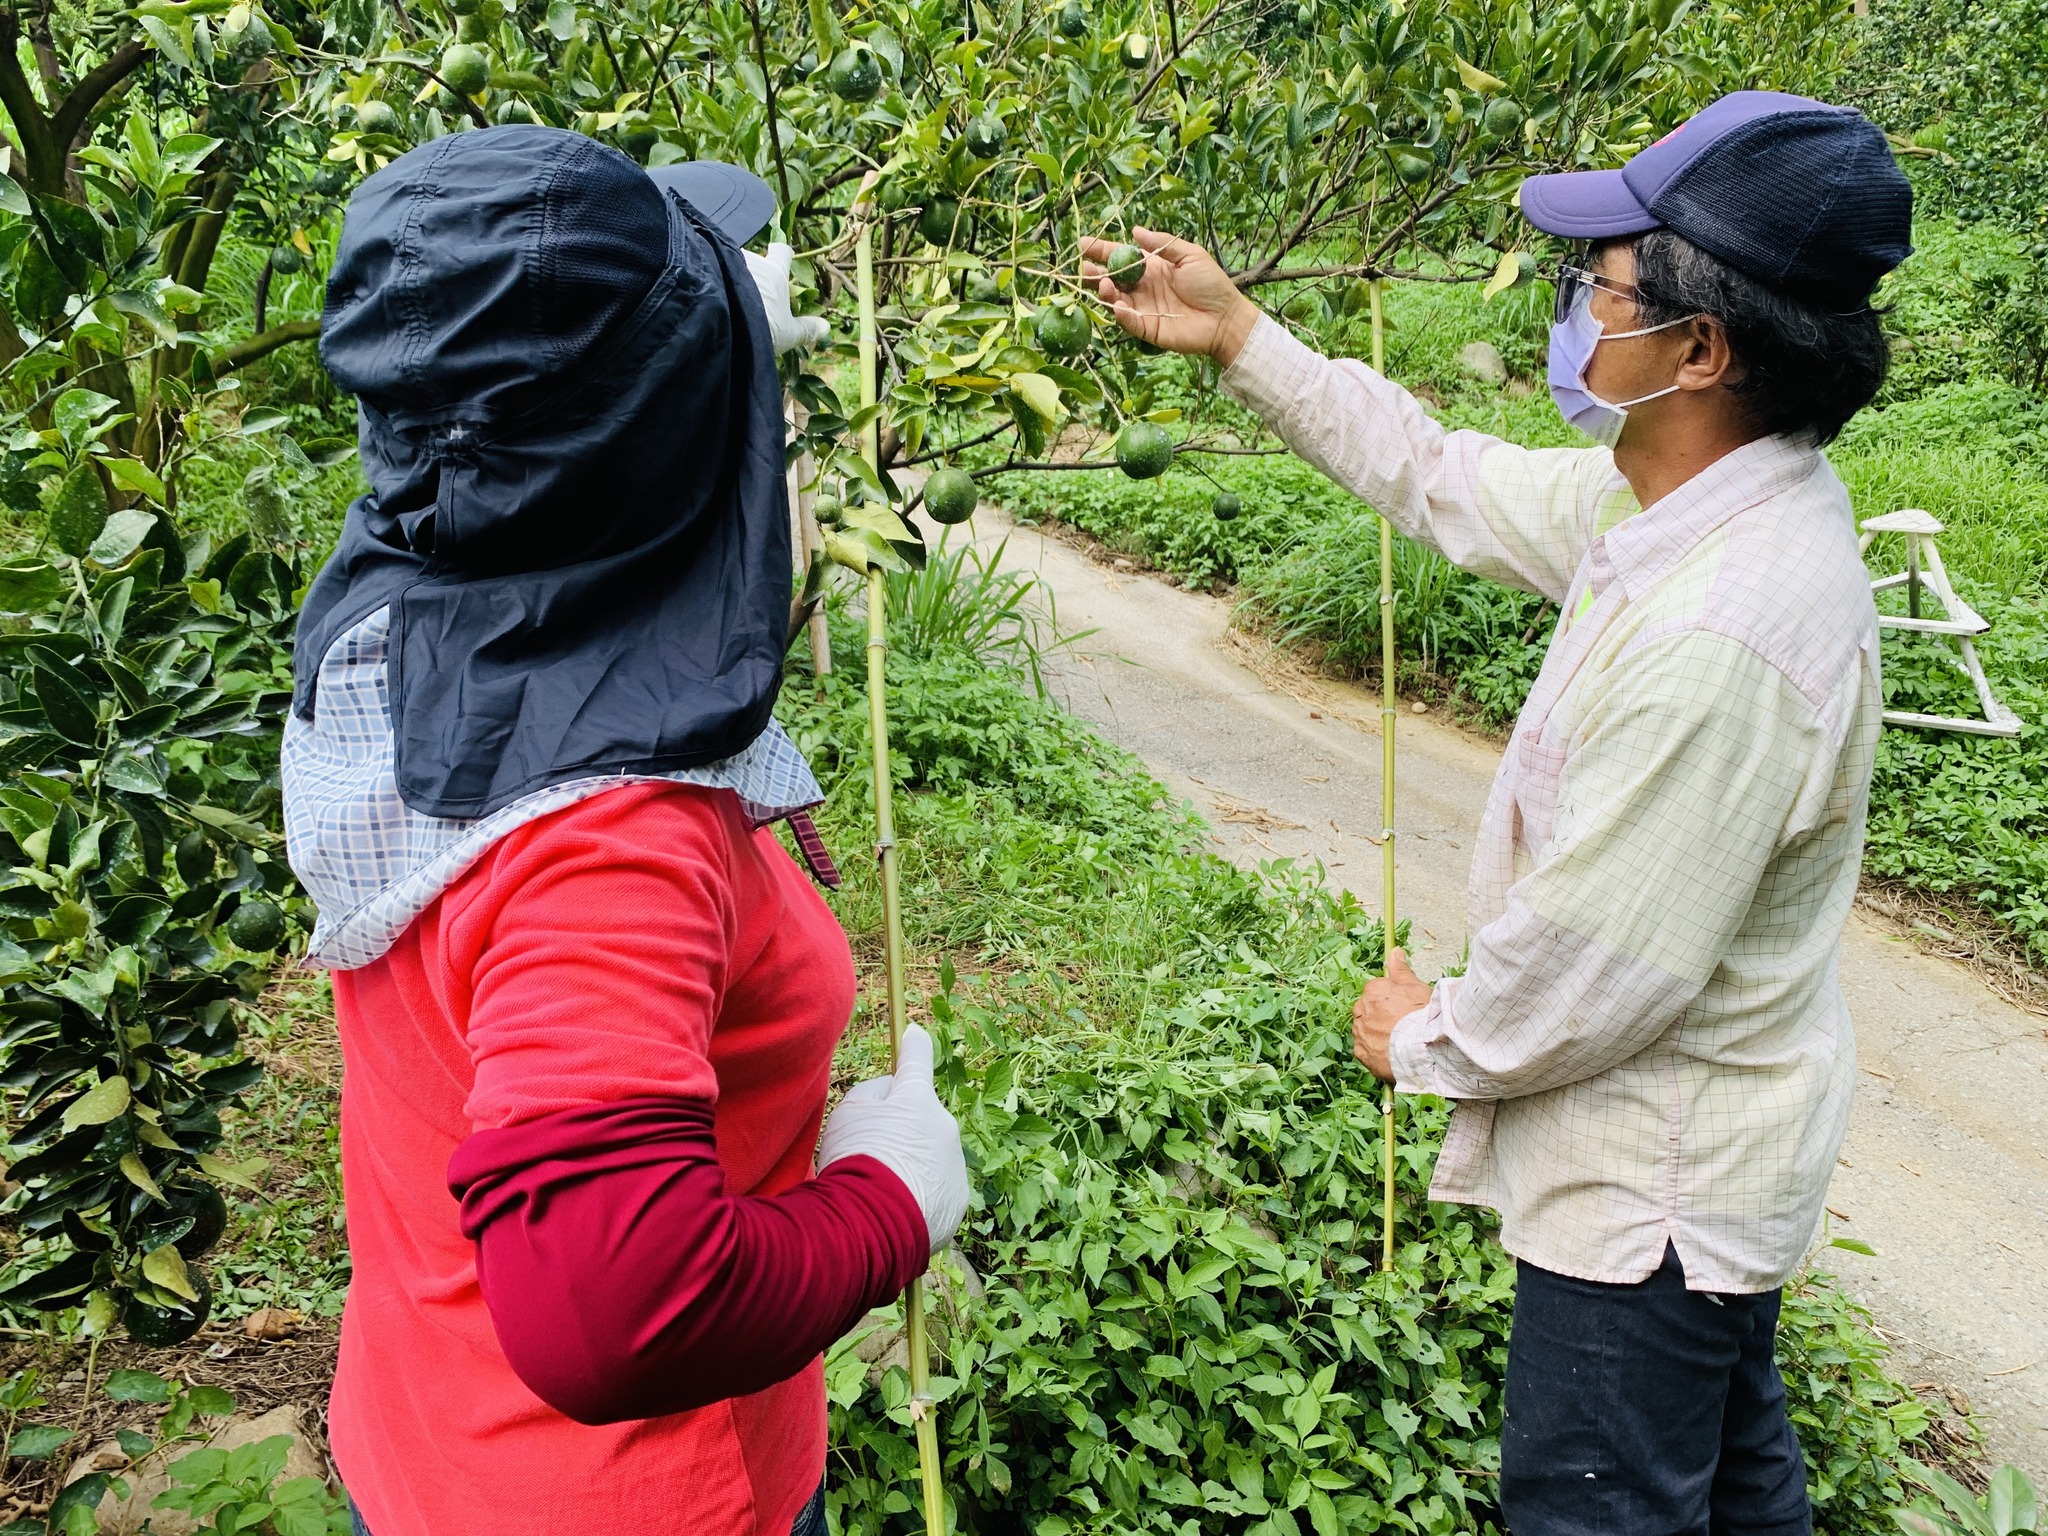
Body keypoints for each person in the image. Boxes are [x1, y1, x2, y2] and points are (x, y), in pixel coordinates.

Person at [1084, 91, 1911, 1533]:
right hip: (1704, 1187)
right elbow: (1444, 477)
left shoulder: (1726, 631)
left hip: (1648, 1215)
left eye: (1601, 284)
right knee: (1734, 1499)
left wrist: (1423, 1037)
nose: (1577, 308)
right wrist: (1239, 337)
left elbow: (1600, 969)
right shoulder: (1679, 504)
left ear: (1701, 348)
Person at [283, 125, 969, 1536]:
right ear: (661, 431)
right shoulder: (609, 838)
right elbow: (615, 1310)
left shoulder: (416, 628)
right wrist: (889, 1201)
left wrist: (683, 340)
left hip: (426, 1444)